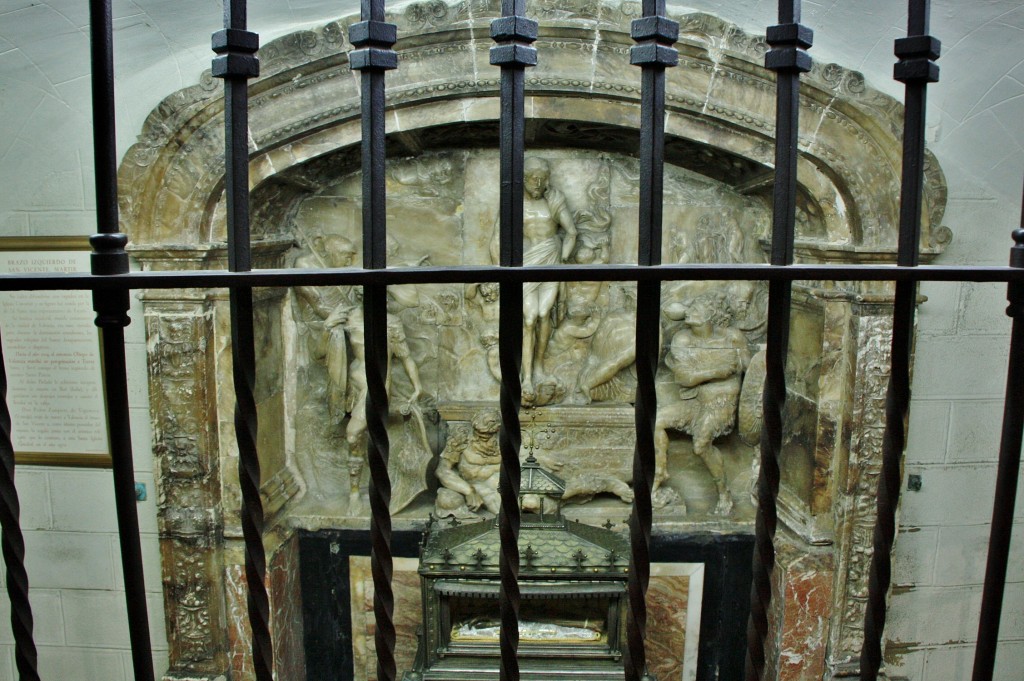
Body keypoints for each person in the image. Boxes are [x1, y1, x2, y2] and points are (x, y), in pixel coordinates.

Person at [654, 292, 750, 514]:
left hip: (722, 405)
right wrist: (717, 372)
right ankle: (659, 474)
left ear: (712, 315)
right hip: (695, 402)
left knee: (700, 445)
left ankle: (723, 491)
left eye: (697, 308)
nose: (690, 312)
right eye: (690, 308)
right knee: (657, 421)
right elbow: (684, 378)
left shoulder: (731, 337)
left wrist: (733, 372)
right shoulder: (683, 340)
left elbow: (749, 369)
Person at [490, 157, 577, 402]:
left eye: (542, 178)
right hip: (526, 263)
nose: (538, 183)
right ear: (524, 179)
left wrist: (563, 260)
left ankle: (538, 367)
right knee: (528, 318)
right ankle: (526, 376)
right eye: (533, 178)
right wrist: (500, 273)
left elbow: (571, 232)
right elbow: (497, 238)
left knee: (543, 314)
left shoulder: (554, 200)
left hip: (551, 259)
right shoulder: (513, 203)